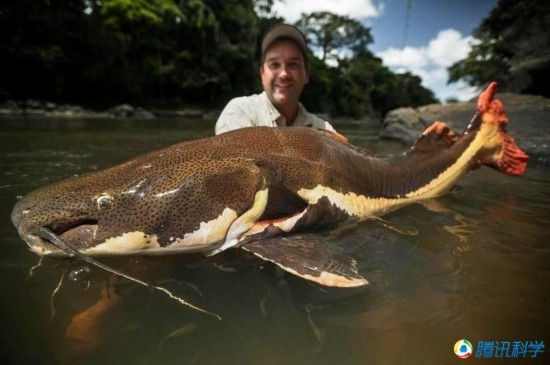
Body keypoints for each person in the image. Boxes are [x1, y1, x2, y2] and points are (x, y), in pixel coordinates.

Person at [215, 24, 337, 135]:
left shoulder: (324, 130)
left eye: (293, 64)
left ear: (306, 75)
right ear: (262, 73)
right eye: (274, 65)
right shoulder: (240, 111)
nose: (284, 74)